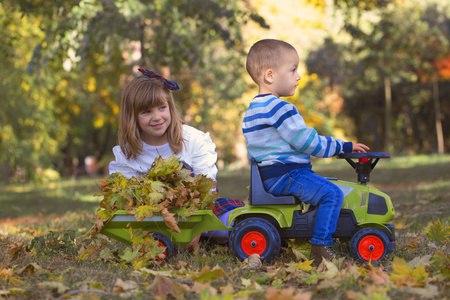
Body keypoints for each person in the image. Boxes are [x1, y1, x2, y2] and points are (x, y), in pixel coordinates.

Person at [242, 39, 370, 266]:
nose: (299, 76)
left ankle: (315, 228)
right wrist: (343, 146)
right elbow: (307, 142)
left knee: (321, 187)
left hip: (270, 176)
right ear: (270, 75)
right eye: (293, 70)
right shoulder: (280, 108)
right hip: (288, 175)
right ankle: (320, 247)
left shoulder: (252, 111)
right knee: (332, 193)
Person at [109, 68, 243, 247]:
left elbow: (207, 187)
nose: (157, 117)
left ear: (170, 107)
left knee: (237, 223)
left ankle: (206, 235)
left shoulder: (193, 140)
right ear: (132, 116)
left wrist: (195, 227)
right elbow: (124, 198)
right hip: (153, 219)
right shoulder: (126, 154)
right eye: (146, 112)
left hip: (199, 211)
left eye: (162, 108)